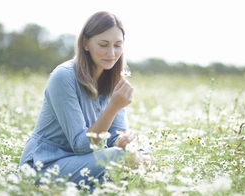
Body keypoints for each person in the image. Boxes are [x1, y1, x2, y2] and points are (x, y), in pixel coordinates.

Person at [19, 11, 153, 190]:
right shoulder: (64, 77)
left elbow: (113, 136)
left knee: (145, 156)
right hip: (46, 163)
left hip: (83, 162)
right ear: (85, 43)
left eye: (118, 45)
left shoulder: (114, 80)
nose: (112, 53)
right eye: (104, 45)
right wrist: (113, 106)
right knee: (122, 159)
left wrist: (125, 141)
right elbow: (81, 146)